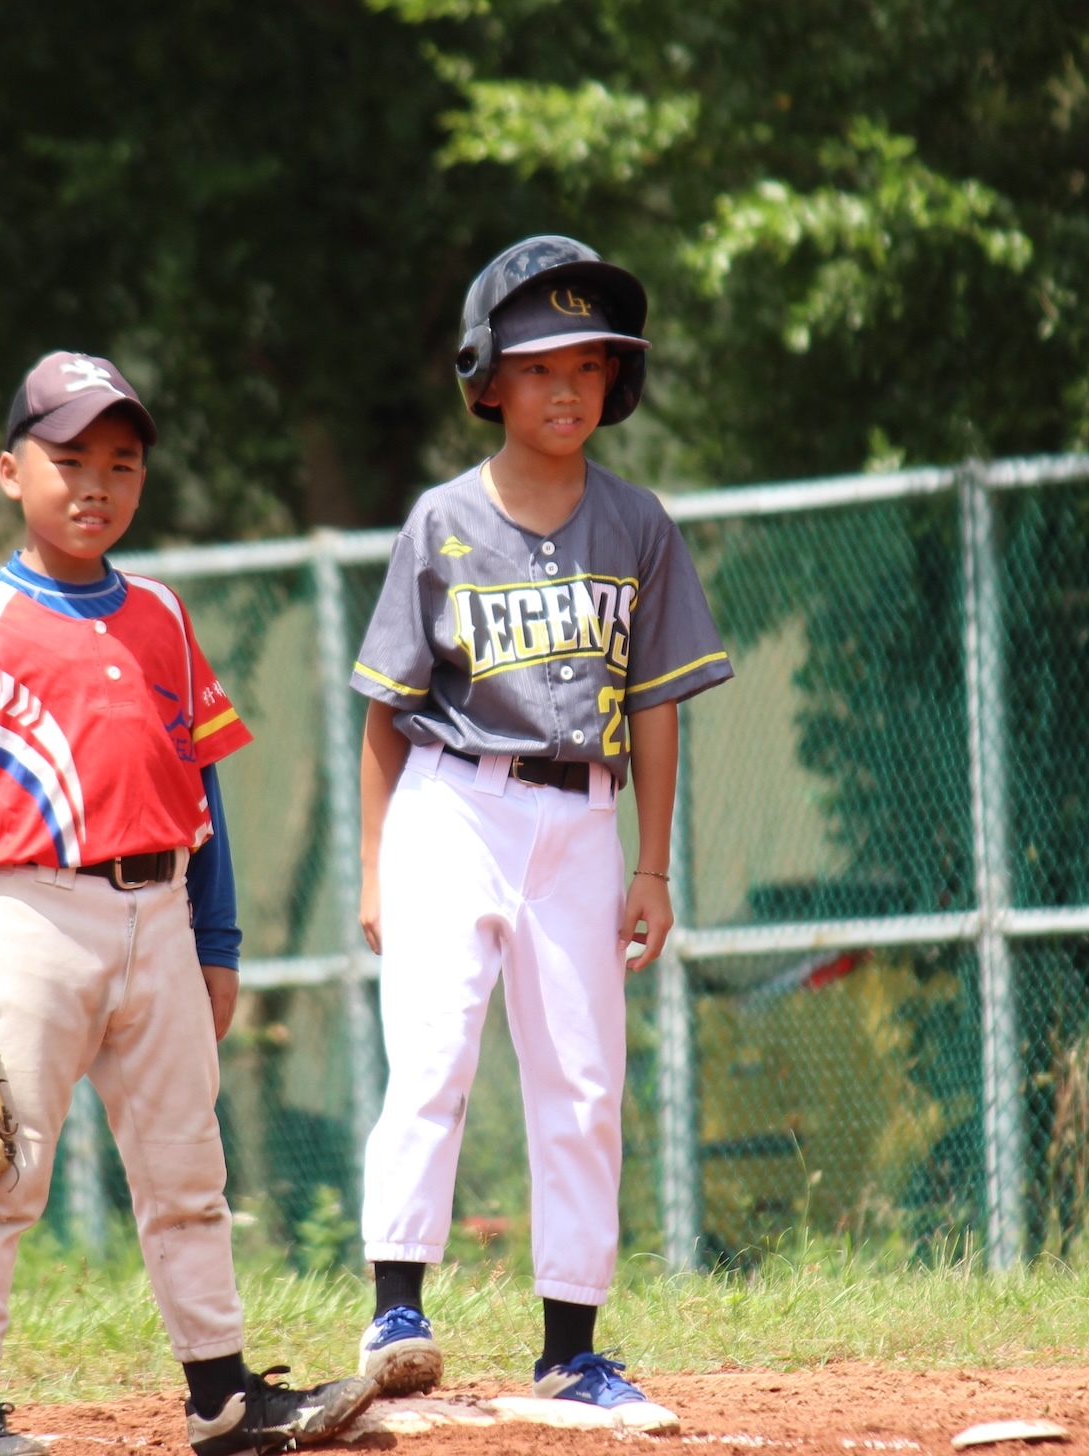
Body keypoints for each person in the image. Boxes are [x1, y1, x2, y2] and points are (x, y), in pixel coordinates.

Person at [0, 351, 375, 1456]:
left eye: (122, 462)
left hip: (159, 919)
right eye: (68, 460)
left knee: (186, 1172)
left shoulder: (159, 613)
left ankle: (225, 1400)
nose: (96, 483)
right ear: (12, 471)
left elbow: (201, 794)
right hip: (33, 917)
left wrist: (219, 941)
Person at [346, 237, 733, 1429]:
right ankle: (398, 1306)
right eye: (537, 365)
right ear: (488, 378)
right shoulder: (441, 518)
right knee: (434, 1053)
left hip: (583, 815)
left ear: (615, 382)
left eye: (589, 364)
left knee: (582, 1078)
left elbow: (659, 705)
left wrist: (654, 864)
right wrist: (372, 869)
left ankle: (572, 1345)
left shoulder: (638, 523)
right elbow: (386, 712)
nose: (566, 388)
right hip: (452, 801)